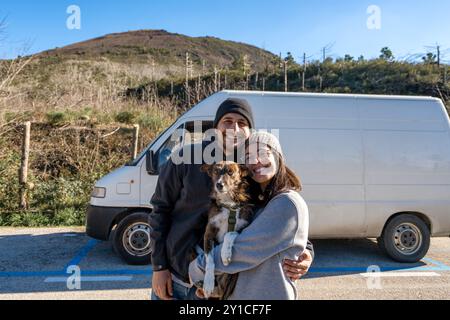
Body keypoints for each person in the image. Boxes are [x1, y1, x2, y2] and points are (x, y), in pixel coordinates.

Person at [150, 98, 314, 300]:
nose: (234, 128)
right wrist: (159, 266)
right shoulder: (184, 157)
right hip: (175, 279)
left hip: (220, 287)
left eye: (242, 123)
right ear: (216, 126)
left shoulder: (250, 170)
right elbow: (160, 210)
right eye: (227, 121)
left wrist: (306, 251)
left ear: (249, 131)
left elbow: (276, 215)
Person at [189, 131, 309, 300]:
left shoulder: (287, 203)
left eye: (263, 153)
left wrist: (197, 268)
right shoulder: (259, 200)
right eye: (248, 156)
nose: (255, 160)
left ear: (278, 157)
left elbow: (244, 251)